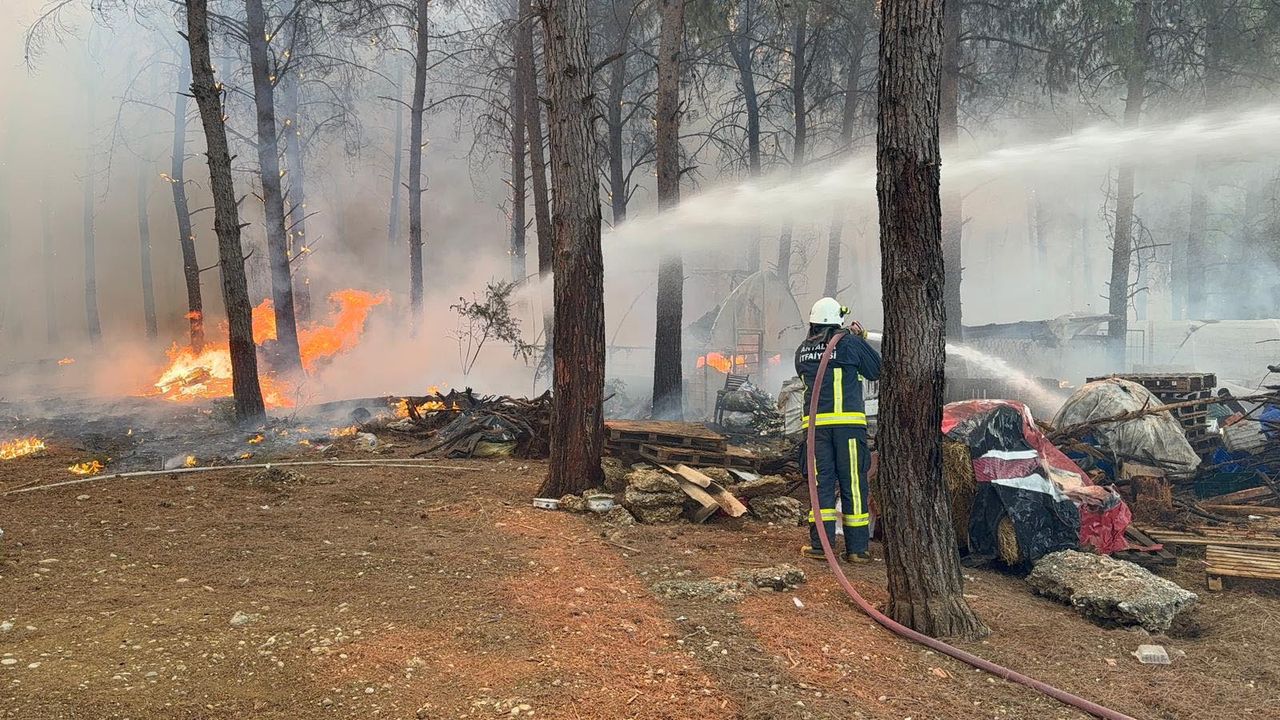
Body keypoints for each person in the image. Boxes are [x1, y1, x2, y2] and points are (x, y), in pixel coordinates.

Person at [794, 297, 882, 563]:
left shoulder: (802, 351)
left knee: (821, 484)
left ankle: (821, 546)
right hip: (848, 427)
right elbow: (876, 370)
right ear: (838, 320)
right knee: (853, 484)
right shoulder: (850, 343)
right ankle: (856, 550)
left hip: (816, 429)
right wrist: (861, 337)